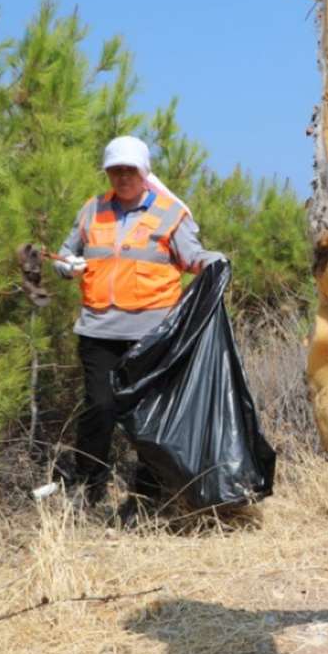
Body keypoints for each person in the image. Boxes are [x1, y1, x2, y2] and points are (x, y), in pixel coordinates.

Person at [54, 135, 225, 521]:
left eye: (129, 170)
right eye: (115, 170)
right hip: (98, 331)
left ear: (144, 172)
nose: (122, 177)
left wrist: (213, 262)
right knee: (99, 407)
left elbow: (191, 257)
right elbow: (66, 253)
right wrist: (65, 265)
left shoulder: (169, 214)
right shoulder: (92, 210)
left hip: (152, 335)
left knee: (148, 416)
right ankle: (88, 488)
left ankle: (146, 499)